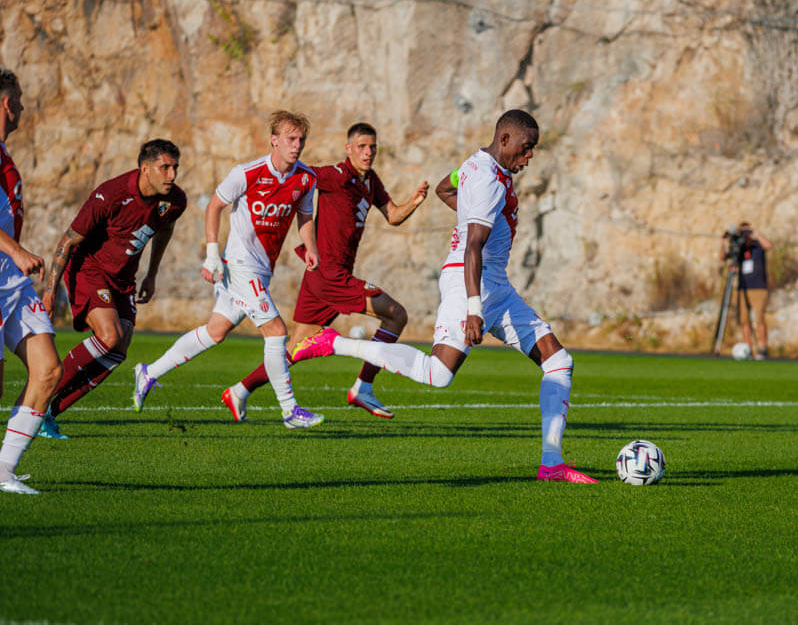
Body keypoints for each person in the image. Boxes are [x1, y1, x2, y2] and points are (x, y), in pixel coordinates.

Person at [289, 110, 597, 483]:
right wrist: (474, 308)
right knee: (438, 374)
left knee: (558, 361)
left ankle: (551, 464)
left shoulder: (474, 165)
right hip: (471, 282)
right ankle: (332, 343)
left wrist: (471, 215)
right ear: (504, 140)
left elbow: (444, 189)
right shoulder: (487, 179)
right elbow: (473, 246)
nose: (529, 156)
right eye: (526, 147)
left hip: (494, 284)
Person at [220, 122, 428, 421]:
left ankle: (240, 390)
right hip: (330, 274)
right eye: (361, 146)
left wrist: (415, 201)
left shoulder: (370, 181)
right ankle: (363, 387)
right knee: (397, 314)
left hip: (321, 275)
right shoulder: (335, 174)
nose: (368, 152)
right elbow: (298, 176)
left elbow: (393, 215)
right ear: (348, 148)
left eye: (372, 147)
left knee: (294, 348)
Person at [132, 110, 324, 429]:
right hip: (239, 265)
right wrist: (211, 255)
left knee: (215, 332)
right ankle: (290, 411)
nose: (297, 145)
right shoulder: (247, 173)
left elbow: (305, 216)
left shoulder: (306, 178)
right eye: (291, 139)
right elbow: (214, 206)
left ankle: (149, 373)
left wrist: (311, 248)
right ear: (274, 140)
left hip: (262, 268)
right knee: (277, 332)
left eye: (301, 139)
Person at [36, 140, 187, 439]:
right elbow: (68, 241)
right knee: (110, 335)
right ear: (145, 169)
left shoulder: (175, 200)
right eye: (164, 168)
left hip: (123, 279)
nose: (171, 175)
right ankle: (39, 398)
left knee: (119, 348)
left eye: (175, 168)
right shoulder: (111, 194)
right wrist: (50, 292)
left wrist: (152, 274)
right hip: (89, 270)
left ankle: (48, 413)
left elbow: (165, 229)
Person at [0, 67, 63, 494]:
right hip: (7, 270)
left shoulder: (4, 156)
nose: (22, 108)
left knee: (49, 370)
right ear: (7, 104)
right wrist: (18, 251)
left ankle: (4, 471)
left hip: (12, 282)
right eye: (19, 101)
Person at [720, 222, 772, 359]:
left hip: (759, 288)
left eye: (746, 232)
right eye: (742, 232)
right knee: (744, 320)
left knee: (759, 318)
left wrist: (755, 234)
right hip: (742, 289)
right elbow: (722, 257)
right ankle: (748, 349)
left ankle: (763, 348)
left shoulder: (757, 246)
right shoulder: (739, 249)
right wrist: (724, 242)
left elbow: (768, 245)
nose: (744, 235)